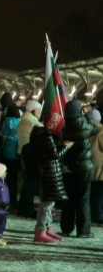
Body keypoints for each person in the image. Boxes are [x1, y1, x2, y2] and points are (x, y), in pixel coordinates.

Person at [60, 100, 98, 238]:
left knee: (68, 198)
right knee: (83, 199)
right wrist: (87, 115)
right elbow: (95, 129)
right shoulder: (84, 124)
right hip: (84, 167)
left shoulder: (64, 126)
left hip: (68, 166)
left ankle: (66, 228)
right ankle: (83, 231)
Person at [28, 123, 70, 243]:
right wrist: (65, 147)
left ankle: (46, 228)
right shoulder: (46, 137)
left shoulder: (47, 136)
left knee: (49, 203)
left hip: (51, 173)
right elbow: (54, 155)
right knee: (47, 203)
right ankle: (41, 230)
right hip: (49, 174)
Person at [16, 100, 44, 217]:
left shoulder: (22, 120)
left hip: (21, 153)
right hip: (31, 155)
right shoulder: (33, 123)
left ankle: (23, 206)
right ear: (35, 110)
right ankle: (27, 208)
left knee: (26, 182)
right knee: (30, 183)